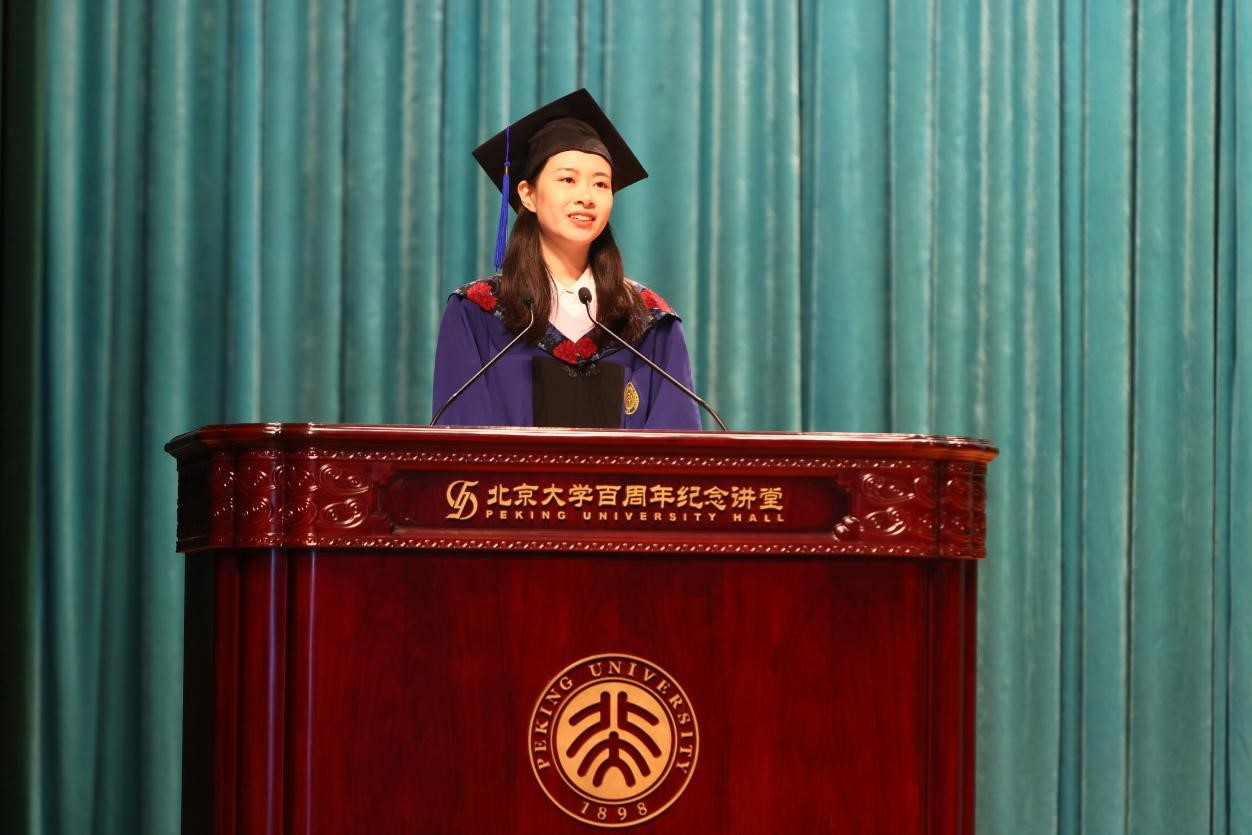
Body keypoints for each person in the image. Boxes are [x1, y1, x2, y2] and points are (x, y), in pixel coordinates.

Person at [431, 89, 703, 430]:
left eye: (600, 184)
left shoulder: (647, 320)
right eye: (568, 180)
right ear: (527, 194)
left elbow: (676, 444)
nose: (586, 197)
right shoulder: (476, 313)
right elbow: (462, 443)